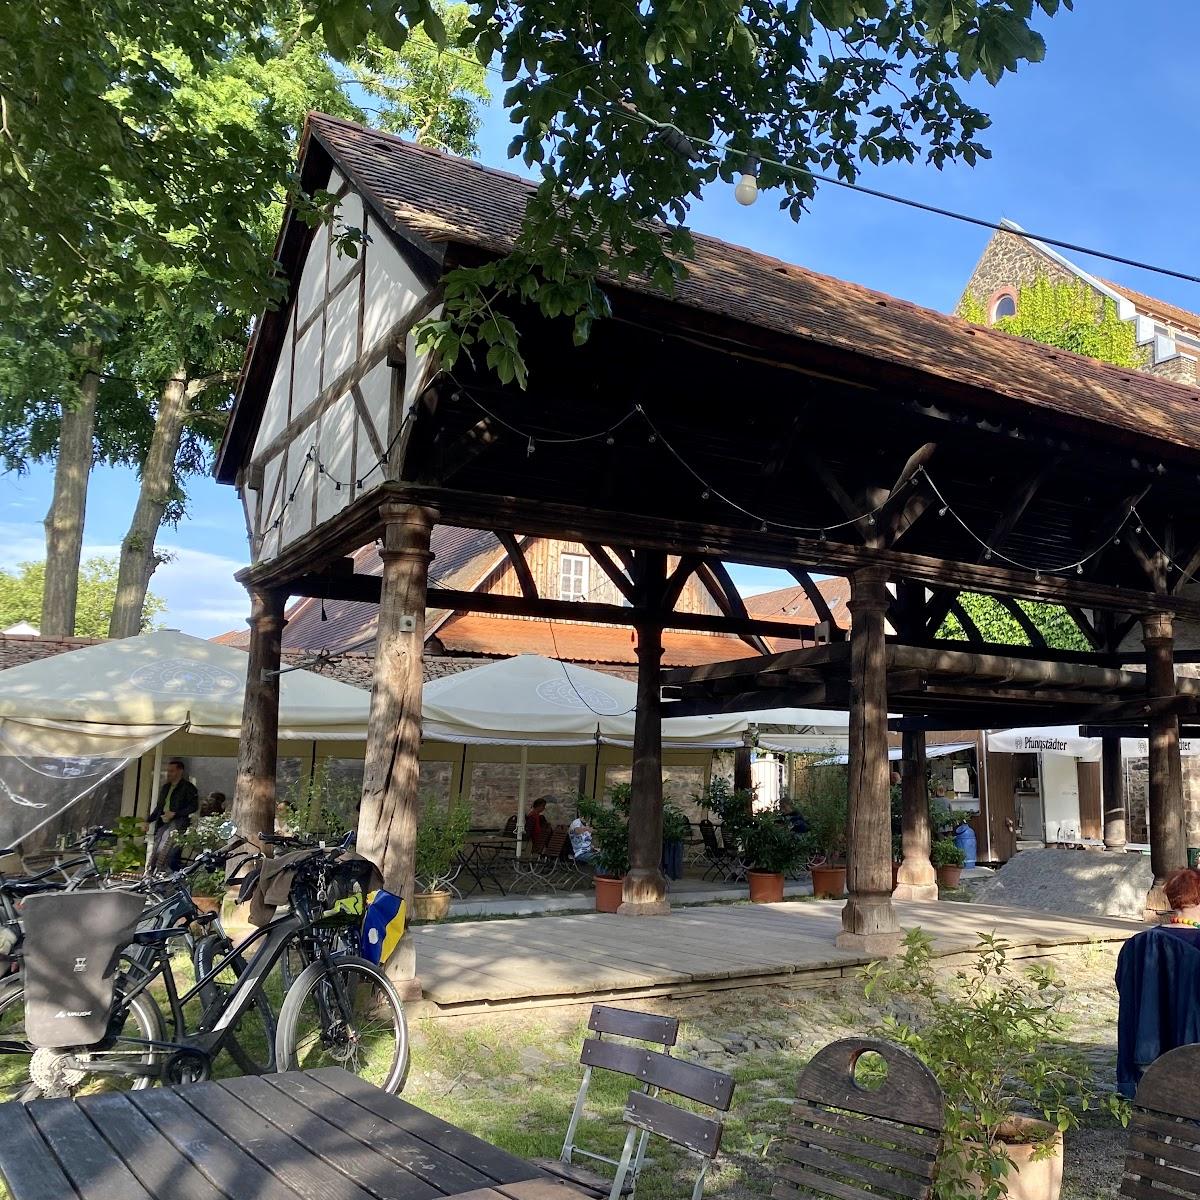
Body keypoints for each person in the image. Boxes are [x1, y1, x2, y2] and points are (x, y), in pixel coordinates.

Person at [147, 758, 199, 870]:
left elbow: (193, 807)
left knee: (170, 852)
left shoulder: (188, 787)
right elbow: (159, 807)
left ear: (180, 771)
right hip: (163, 822)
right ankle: (155, 872)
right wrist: (148, 820)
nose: (168, 774)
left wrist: (175, 814)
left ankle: (171, 875)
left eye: (172, 771)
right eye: (168, 771)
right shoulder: (166, 787)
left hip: (178, 823)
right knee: (157, 848)